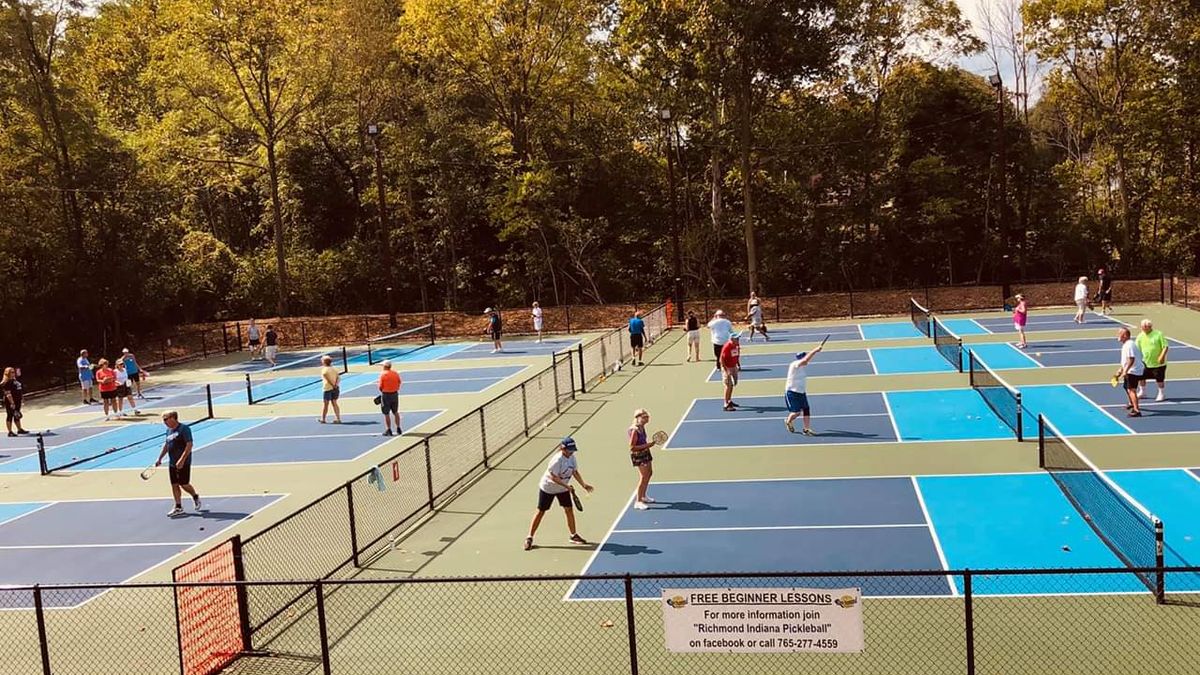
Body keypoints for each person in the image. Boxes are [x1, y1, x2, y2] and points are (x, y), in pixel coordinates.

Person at [524, 437, 593, 550]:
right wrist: (567, 487)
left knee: (569, 509)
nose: (571, 452)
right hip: (548, 488)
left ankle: (573, 535)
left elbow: (575, 472)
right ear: (563, 448)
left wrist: (583, 485)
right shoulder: (557, 460)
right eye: (569, 450)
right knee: (541, 511)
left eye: (573, 450)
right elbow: (553, 477)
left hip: (562, 488)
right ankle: (529, 537)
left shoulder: (572, 458)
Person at [154, 411, 202, 517]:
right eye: (163, 420)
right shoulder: (168, 431)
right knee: (174, 484)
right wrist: (160, 458)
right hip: (172, 462)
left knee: (184, 484)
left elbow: (189, 445)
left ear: (173, 418)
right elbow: (167, 445)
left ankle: (195, 496)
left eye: (166, 419)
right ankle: (178, 506)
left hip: (184, 462)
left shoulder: (184, 429)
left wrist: (182, 459)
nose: (164, 422)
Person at [784, 348, 823, 435]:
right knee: (797, 413)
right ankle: (788, 421)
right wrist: (815, 351)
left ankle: (806, 429)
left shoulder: (801, 367)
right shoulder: (795, 364)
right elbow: (805, 361)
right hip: (792, 392)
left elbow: (805, 361)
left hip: (801, 392)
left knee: (806, 409)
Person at [629, 409, 659, 510]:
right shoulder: (635, 430)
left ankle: (643, 496)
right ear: (638, 418)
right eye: (644, 417)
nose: (647, 419)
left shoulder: (642, 427)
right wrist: (648, 445)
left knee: (649, 473)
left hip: (645, 452)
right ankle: (638, 501)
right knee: (643, 477)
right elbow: (632, 447)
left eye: (647, 417)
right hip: (638, 455)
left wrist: (647, 446)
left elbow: (642, 442)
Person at [1135, 319, 1169, 402]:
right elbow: (1136, 348)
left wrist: (1162, 356)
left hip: (1158, 363)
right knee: (1141, 377)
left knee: (1159, 379)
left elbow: (1165, 346)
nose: (1143, 329)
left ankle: (1161, 393)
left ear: (1150, 327)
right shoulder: (1140, 336)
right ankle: (1142, 392)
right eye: (1142, 327)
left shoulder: (1158, 334)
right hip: (1145, 362)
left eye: (1145, 327)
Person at [1116, 328, 1145, 417]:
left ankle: (1136, 410)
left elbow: (1131, 359)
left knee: (1131, 390)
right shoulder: (1127, 344)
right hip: (1130, 370)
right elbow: (1126, 360)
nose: (1117, 335)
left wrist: (1125, 371)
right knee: (1126, 387)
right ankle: (1132, 403)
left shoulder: (1129, 345)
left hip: (1133, 371)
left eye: (1119, 333)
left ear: (1125, 335)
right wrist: (1121, 369)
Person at [377, 360, 403, 436]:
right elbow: (399, 382)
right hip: (395, 394)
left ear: (385, 366)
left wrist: (384, 391)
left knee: (386, 413)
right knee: (395, 412)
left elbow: (380, 386)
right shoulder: (395, 373)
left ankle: (388, 429)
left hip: (386, 395)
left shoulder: (383, 374)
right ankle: (398, 428)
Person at [1, 367, 28, 436]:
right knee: (10, 415)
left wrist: (22, 398)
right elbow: (8, 394)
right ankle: (10, 432)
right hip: (11, 402)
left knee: (17, 414)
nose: (13, 373)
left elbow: (19, 389)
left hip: (17, 400)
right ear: (8, 373)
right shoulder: (6, 382)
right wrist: (12, 403)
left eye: (14, 372)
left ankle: (19, 429)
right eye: (12, 372)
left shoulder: (15, 380)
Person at [720, 332, 742, 411]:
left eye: (738, 338)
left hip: (733, 367)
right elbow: (721, 360)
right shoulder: (727, 347)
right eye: (736, 338)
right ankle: (726, 404)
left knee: (732, 384)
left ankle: (729, 400)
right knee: (728, 385)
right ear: (732, 339)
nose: (738, 340)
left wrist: (738, 365)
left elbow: (736, 355)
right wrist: (726, 371)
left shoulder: (736, 345)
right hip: (727, 367)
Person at [319, 355, 343, 424]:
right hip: (335, 388)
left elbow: (327, 378)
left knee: (326, 404)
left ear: (324, 362)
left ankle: (323, 419)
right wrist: (336, 385)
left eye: (322, 360)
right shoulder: (335, 369)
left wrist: (332, 385)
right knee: (334, 402)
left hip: (327, 388)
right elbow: (338, 378)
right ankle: (338, 419)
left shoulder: (324, 370)